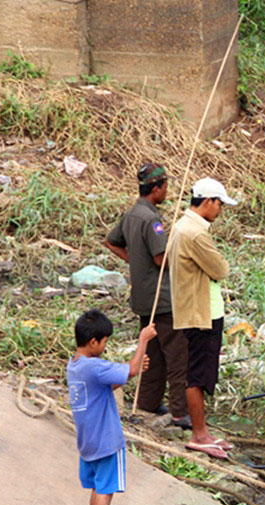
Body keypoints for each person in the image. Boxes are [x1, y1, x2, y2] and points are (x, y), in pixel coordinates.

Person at [103, 162, 191, 429]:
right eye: (165, 187)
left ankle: (147, 402)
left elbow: (111, 241)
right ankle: (179, 412)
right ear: (155, 189)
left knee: (152, 352)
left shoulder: (131, 214)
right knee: (177, 354)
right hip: (161, 299)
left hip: (142, 297)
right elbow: (160, 257)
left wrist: (133, 262)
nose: (167, 192)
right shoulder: (152, 219)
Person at [67, 309, 156, 505]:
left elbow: (104, 386)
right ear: (93, 341)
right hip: (107, 442)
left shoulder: (75, 365)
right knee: (105, 492)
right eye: (104, 342)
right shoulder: (94, 366)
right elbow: (133, 369)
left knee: (97, 489)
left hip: (88, 442)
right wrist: (143, 340)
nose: (105, 346)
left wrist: (129, 373)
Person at [167, 177, 237, 460]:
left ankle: (203, 431)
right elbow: (220, 269)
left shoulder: (182, 226)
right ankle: (199, 435)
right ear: (207, 201)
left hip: (195, 309)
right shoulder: (194, 233)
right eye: (219, 204)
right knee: (198, 373)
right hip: (201, 312)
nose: (220, 210)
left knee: (199, 370)